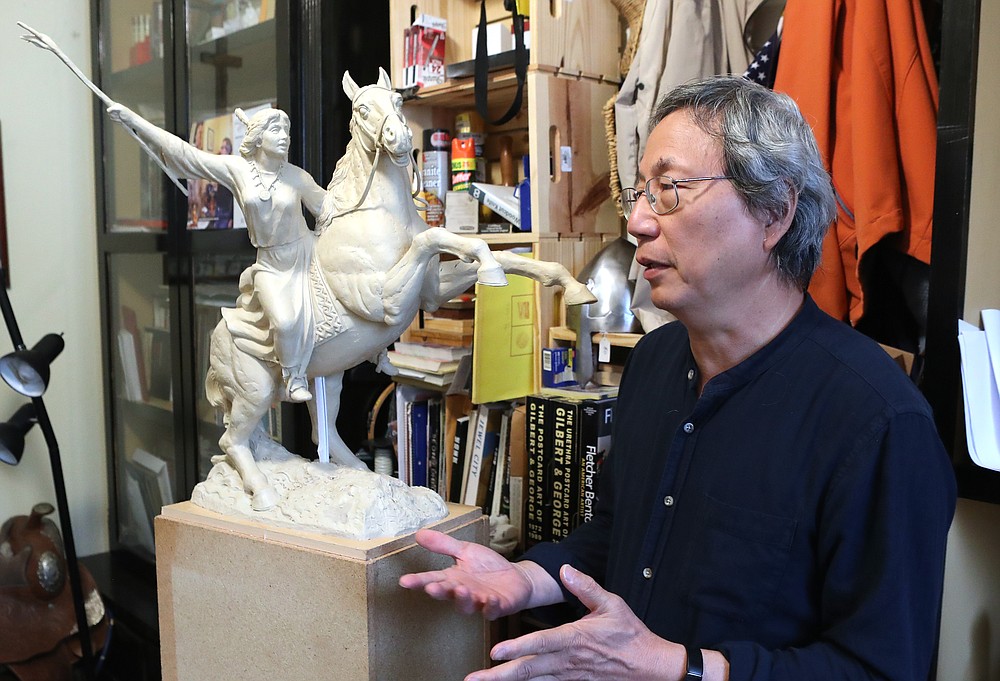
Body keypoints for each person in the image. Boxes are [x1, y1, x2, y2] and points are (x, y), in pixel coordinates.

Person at [399, 76, 957, 681]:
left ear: (773, 212)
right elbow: (618, 535)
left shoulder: (878, 423)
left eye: (670, 190)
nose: (637, 220)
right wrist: (526, 578)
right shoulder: (658, 359)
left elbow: (883, 668)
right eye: (641, 191)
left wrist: (677, 668)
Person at [108, 104, 325, 401]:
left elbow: (328, 209)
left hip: (305, 255)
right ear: (258, 138)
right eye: (276, 130)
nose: (285, 136)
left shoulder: (297, 177)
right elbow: (188, 155)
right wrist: (133, 121)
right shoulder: (239, 170)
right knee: (285, 322)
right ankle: (293, 376)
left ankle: (377, 351)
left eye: (286, 130)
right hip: (271, 265)